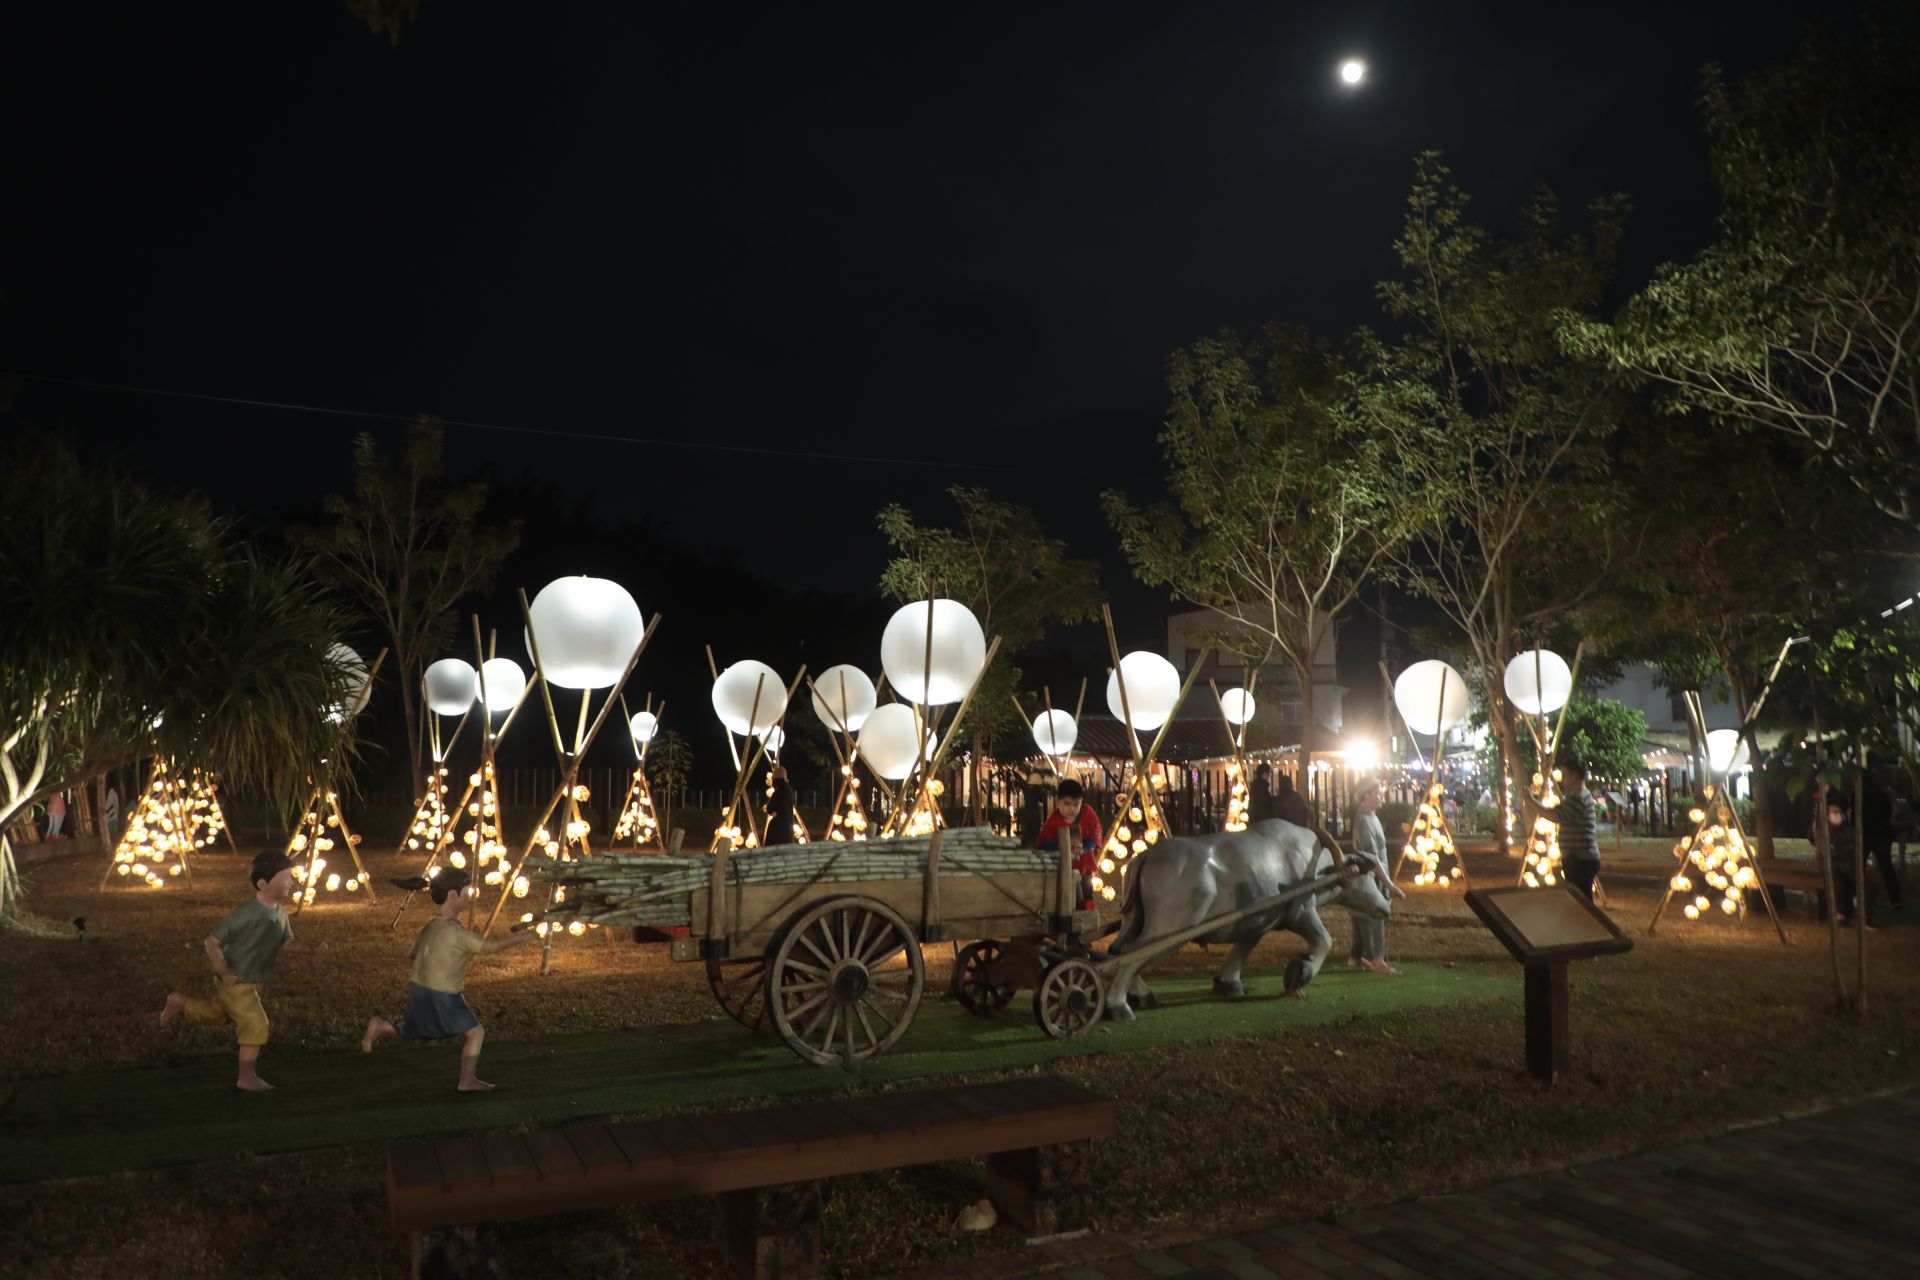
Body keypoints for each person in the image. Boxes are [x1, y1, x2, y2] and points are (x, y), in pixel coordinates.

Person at [159, 850, 328, 1091]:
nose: (292, 883)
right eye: (287, 878)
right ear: (263, 884)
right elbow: (211, 942)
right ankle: (246, 1078)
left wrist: (311, 949)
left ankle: (180, 1002)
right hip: (237, 981)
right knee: (255, 1023)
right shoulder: (246, 914)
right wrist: (225, 972)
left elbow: (286, 942)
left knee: (219, 1014)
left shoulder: (279, 912)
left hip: (251, 979)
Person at [363, 868, 538, 1090]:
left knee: (416, 1028)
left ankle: (379, 1026)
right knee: (475, 1033)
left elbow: (411, 952)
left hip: (419, 988)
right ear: (454, 895)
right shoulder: (457, 933)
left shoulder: (431, 926)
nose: (469, 898)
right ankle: (467, 1081)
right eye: (467, 893)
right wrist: (527, 936)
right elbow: (491, 947)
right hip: (442, 992)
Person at [1348, 781, 1407, 974]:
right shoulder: (1364, 821)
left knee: (1361, 916)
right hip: (1371, 878)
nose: (1381, 797)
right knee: (1374, 914)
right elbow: (1371, 858)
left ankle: (1356, 957)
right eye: (1377, 794)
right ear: (1366, 796)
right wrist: (1389, 885)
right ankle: (1377, 960)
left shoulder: (1370, 817)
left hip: (1374, 876)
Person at [1034, 778, 1103, 907]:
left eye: (1076, 804)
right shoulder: (1053, 821)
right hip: (1063, 870)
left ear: (1081, 802)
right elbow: (1042, 844)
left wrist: (1085, 847)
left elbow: (1095, 833)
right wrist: (1062, 847)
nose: (1072, 808)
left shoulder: (1088, 813)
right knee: (1069, 901)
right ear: (1057, 801)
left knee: (1086, 899)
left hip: (1085, 867)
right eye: (1067, 803)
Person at [1816, 788, 1869, 928]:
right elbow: (1828, 852)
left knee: (1864, 883)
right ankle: (1840, 915)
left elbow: (1855, 847)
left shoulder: (1849, 829)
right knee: (1838, 885)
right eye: (1834, 813)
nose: (1837, 815)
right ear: (1828, 816)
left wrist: (1839, 848)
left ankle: (1863, 915)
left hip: (1849, 867)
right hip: (1833, 868)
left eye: (1839, 813)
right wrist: (1845, 848)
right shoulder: (1824, 831)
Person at [1555, 761, 1602, 901]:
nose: (1563, 779)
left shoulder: (1579, 797)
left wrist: (1531, 801)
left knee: (1581, 901)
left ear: (1575, 776)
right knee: (1579, 900)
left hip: (1579, 859)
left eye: (1565, 774)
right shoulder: (1580, 796)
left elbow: (1555, 816)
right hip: (1579, 857)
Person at [1861, 766, 1902, 912]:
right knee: (1886, 867)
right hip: (1882, 835)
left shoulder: (1859, 794)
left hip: (1866, 834)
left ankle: (1858, 895)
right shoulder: (1882, 793)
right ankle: (1895, 899)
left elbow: (1856, 816)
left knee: (1859, 866)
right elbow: (1888, 812)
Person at [764, 765, 798, 847]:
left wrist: (773, 812)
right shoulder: (789, 792)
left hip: (776, 830)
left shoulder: (778, 792)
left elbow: (769, 808)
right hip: (788, 830)